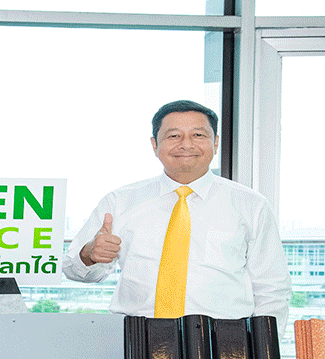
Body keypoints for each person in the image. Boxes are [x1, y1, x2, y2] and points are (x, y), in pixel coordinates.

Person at [63, 100, 291, 323]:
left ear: (215, 143)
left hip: (224, 339)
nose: (186, 144)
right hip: (137, 335)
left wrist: (265, 346)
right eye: (173, 136)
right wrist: (89, 254)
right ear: (155, 145)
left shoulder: (251, 205)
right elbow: (73, 270)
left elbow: (272, 289)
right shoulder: (119, 202)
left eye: (198, 135)